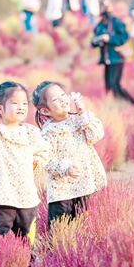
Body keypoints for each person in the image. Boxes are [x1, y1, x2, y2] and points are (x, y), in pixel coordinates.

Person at [0, 82, 51, 267]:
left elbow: (44, 150)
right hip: (1, 197)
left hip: (26, 198)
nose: (21, 107)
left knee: (26, 238)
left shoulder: (30, 132)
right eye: (15, 103)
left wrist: (38, 160)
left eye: (24, 103)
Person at [32, 82, 107, 228]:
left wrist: (83, 115)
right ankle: (56, 250)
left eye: (62, 94)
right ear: (45, 111)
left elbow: (95, 135)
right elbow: (47, 160)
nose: (62, 99)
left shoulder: (80, 120)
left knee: (86, 226)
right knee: (60, 229)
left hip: (86, 184)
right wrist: (64, 168)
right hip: (62, 191)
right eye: (55, 99)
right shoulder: (48, 133)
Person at [92, 0, 134, 105]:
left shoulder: (116, 22)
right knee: (108, 84)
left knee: (115, 84)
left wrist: (110, 38)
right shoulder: (100, 24)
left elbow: (125, 37)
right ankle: (114, 103)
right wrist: (95, 41)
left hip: (117, 57)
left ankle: (130, 102)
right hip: (106, 58)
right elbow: (94, 39)